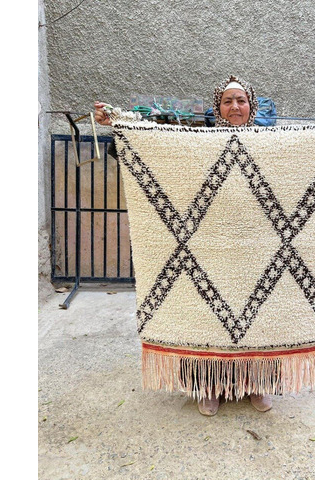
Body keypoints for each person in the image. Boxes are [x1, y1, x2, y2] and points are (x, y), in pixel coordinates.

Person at [94, 75, 274, 416]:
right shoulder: (198, 142)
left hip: (254, 244)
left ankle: (255, 382)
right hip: (207, 243)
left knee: (257, 312)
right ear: (218, 108)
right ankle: (209, 385)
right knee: (207, 315)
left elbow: (306, 156)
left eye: (241, 100)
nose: (235, 107)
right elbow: (154, 151)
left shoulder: (272, 142)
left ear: (252, 106)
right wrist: (116, 127)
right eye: (227, 101)